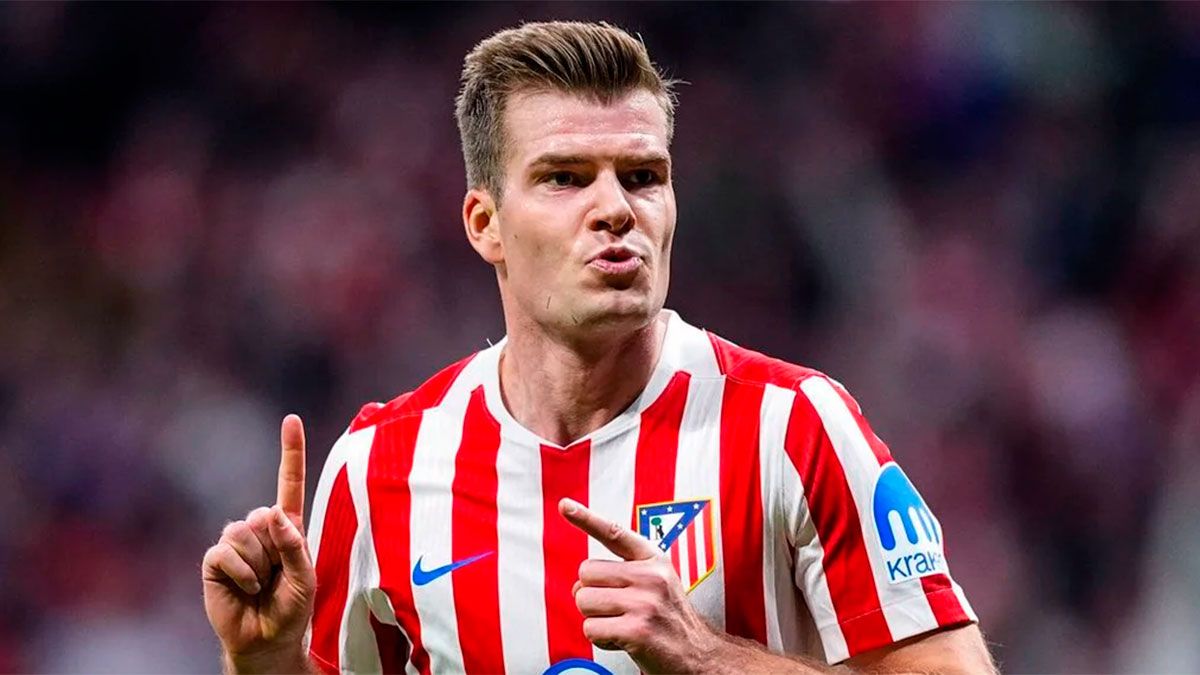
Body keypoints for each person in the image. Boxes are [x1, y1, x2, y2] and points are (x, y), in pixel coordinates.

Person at [202, 20, 996, 675]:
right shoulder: (381, 467)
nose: (616, 207)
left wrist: (709, 657)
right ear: (484, 224)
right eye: (566, 177)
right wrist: (264, 661)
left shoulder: (792, 425)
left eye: (643, 175)